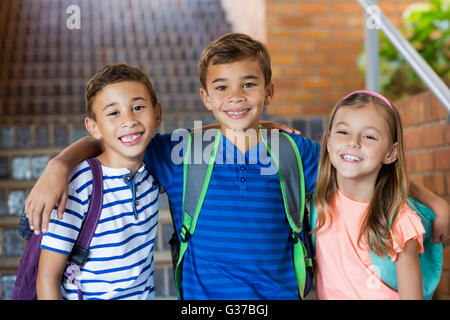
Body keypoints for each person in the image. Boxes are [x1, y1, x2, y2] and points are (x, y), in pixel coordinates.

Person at [24, 33, 449, 300]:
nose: (236, 96)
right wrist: (59, 164)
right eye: (221, 87)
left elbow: (359, 160)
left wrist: (434, 202)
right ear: (206, 97)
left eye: (249, 84)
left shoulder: (294, 152)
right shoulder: (180, 152)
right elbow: (114, 139)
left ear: (269, 90)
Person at [36, 63, 162, 299]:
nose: (129, 120)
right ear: (94, 127)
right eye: (114, 113)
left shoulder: (154, 168)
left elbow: (208, 136)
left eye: (138, 107)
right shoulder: (81, 183)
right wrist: (59, 164)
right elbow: (47, 278)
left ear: (157, 114)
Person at [312, 90, 441, 299]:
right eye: (343, 132)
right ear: (327, 141)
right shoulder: (319, 204)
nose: (353, 142)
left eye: (369, 136)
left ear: (391, 153)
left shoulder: (398, 219)